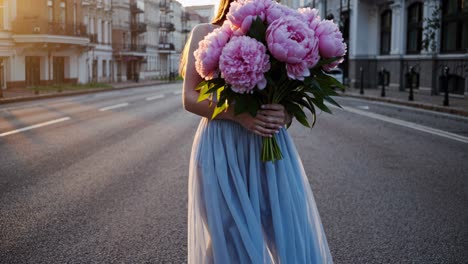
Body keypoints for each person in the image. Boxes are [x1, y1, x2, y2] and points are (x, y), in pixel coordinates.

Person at [180, 0, 333, 263]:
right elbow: (189, 98)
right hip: (222, 146)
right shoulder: (204, 32)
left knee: (285, 226)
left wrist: (283, 113)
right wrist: (238, 115)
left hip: (267, 144)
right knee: (227, 234)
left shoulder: (282, 29)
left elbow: (288, 96)